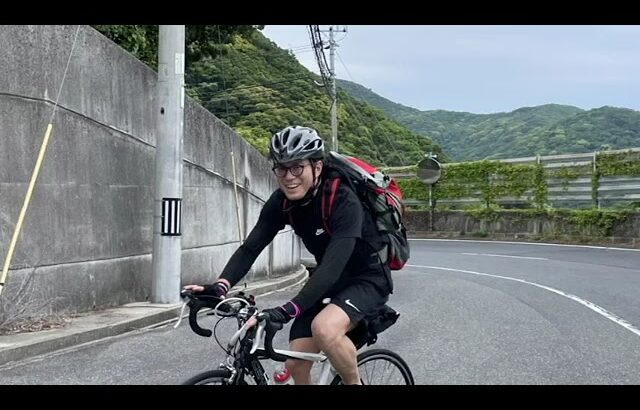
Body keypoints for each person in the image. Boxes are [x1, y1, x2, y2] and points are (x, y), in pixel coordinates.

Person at [183, 125, 393, 385]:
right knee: (295, 362)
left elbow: (332, 265)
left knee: (325, 329)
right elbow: (251, 247)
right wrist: (219, 287)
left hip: (366, 278)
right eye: (281, 168)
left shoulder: (342, 199)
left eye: (297, 167)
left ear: (317, 167)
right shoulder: (281, 202)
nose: (288, 176)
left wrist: (288, 310)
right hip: (329, 282)